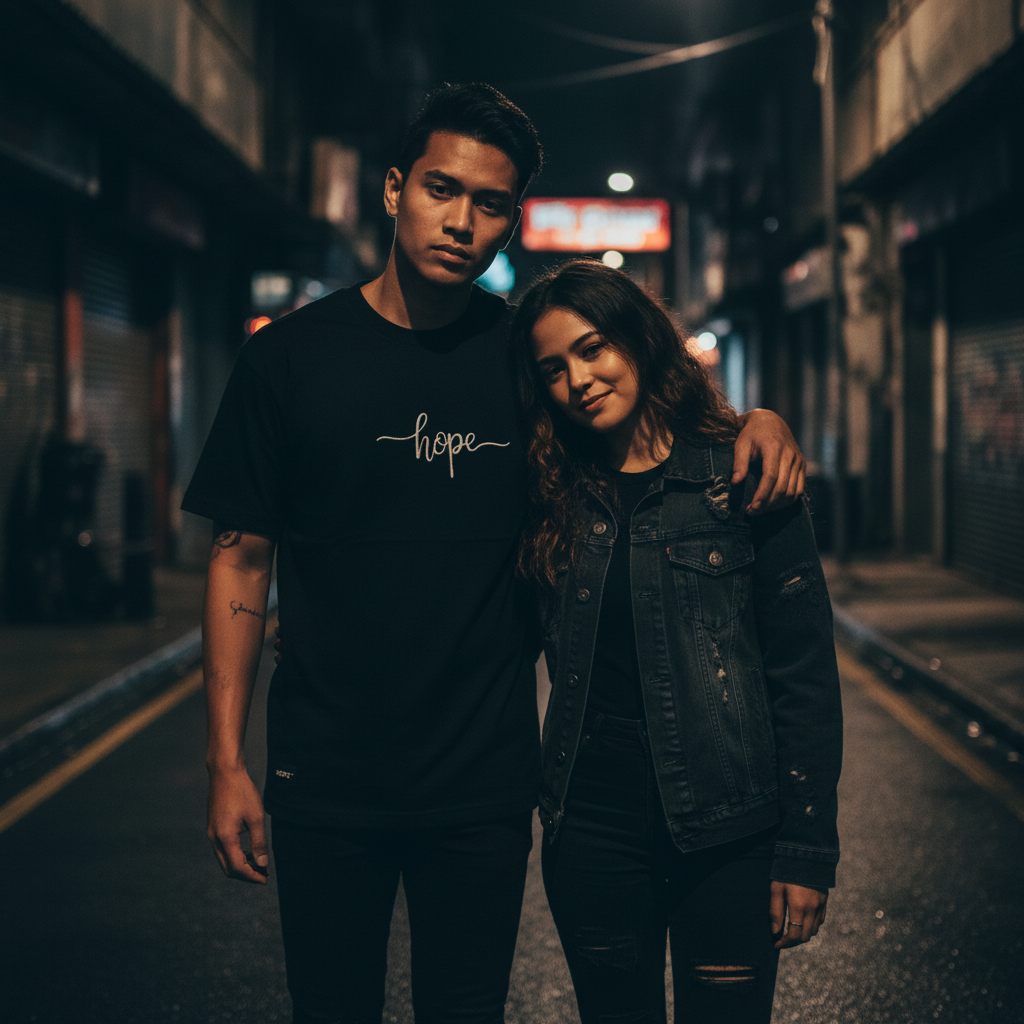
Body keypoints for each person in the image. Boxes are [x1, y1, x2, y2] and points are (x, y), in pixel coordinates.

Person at [183, 83, 808, 1024]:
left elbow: (651, 426)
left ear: (511, 223)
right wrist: (225, 761)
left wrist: (757, 421)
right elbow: (240, 557)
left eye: (490, 205)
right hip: (325, 778)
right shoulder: (288, 359)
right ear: (394, 189)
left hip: (483, 785)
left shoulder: (526, 360)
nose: (461, 221)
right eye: (442, 189)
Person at [508, 258, 843, 1023]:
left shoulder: (744, 472)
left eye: (593, 348)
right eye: (554, 369)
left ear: (639, 337)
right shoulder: (548, 490)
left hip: (730, 831)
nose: (579, 379)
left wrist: (806, 848)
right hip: (591, 828)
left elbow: (803, 674)